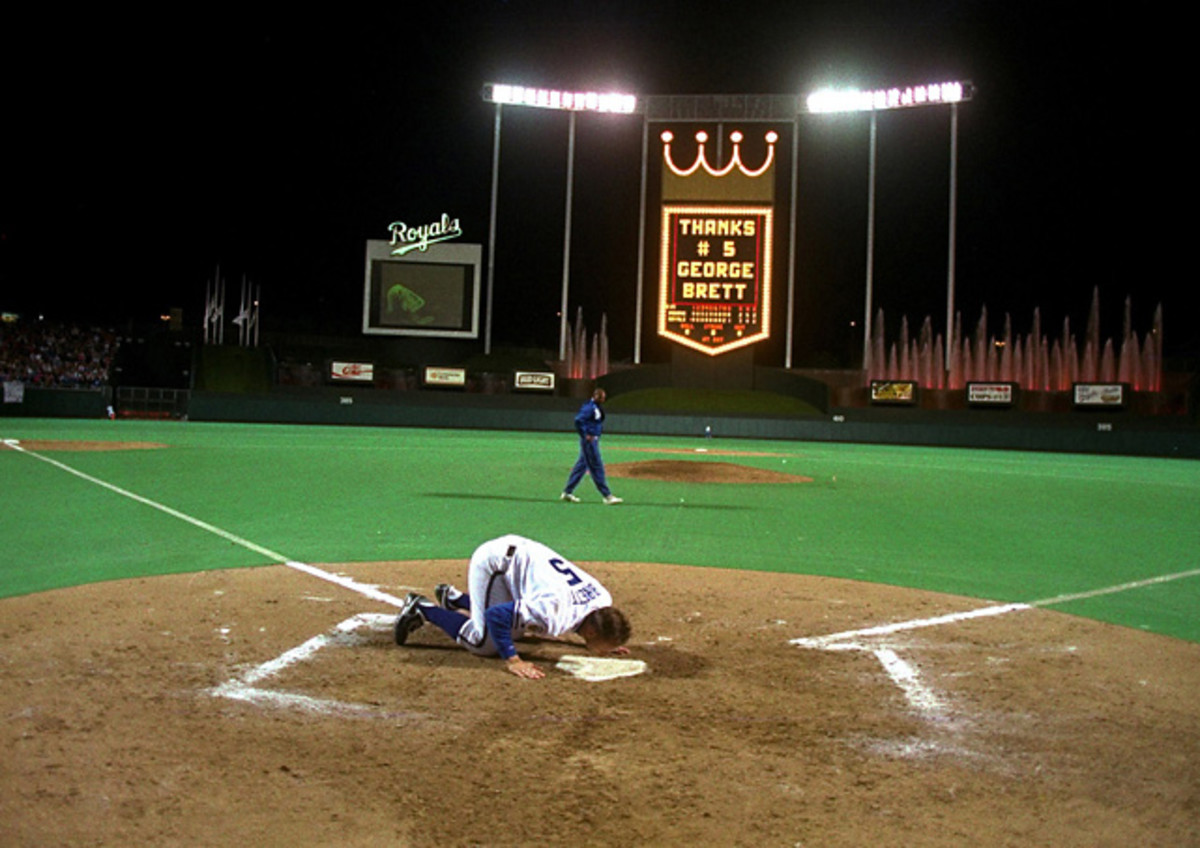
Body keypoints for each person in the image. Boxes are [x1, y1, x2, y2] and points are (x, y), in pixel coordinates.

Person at [393, 533, 632, 680]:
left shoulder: (602, 600)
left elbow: (583, 618)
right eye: (605, 645)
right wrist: (513, 660)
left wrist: (606, 641)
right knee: (484, 643)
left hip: (519, 562)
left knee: (516, 628)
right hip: (495, 563)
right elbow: (496, 615)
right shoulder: (553, 612)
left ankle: (455, 600)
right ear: (591, 632)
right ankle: (422, 608)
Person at [561, 387, 622, 504]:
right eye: (602, 397)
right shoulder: (589, 407)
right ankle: (607, 496)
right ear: (595, 396)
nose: (603, 399)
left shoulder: (596, 407)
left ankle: (567, 492)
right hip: (589, 442)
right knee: (596, 467)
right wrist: (585, 434)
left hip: (593, 440)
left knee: (581, 467)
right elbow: (578, 420)